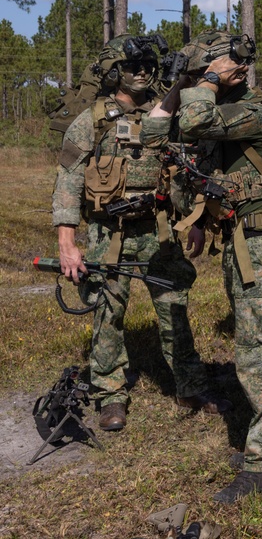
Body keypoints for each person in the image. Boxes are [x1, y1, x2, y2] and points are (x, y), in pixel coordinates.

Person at [147, 30, 262, 504]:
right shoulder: (220, 110)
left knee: (259, 350)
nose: (203, 77)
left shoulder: (259, 111)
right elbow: (155, 132)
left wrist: (211, 78)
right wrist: (181, 82)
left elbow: (193, 122)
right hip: (242, 240)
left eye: (211, 67)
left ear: (235, 67)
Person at [52, 34, 231, 433]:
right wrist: (68, 243)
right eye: (133, 66)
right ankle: (111, 394)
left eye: (147, 65)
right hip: (107, 231)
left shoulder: (164, 114)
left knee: (174, 308)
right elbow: (68, 181)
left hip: (159, 229)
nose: (143, 71)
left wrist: (197, 222)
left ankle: (189, 385)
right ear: (114, 71)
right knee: (107, 312)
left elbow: (187, 170)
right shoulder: (92, 120)